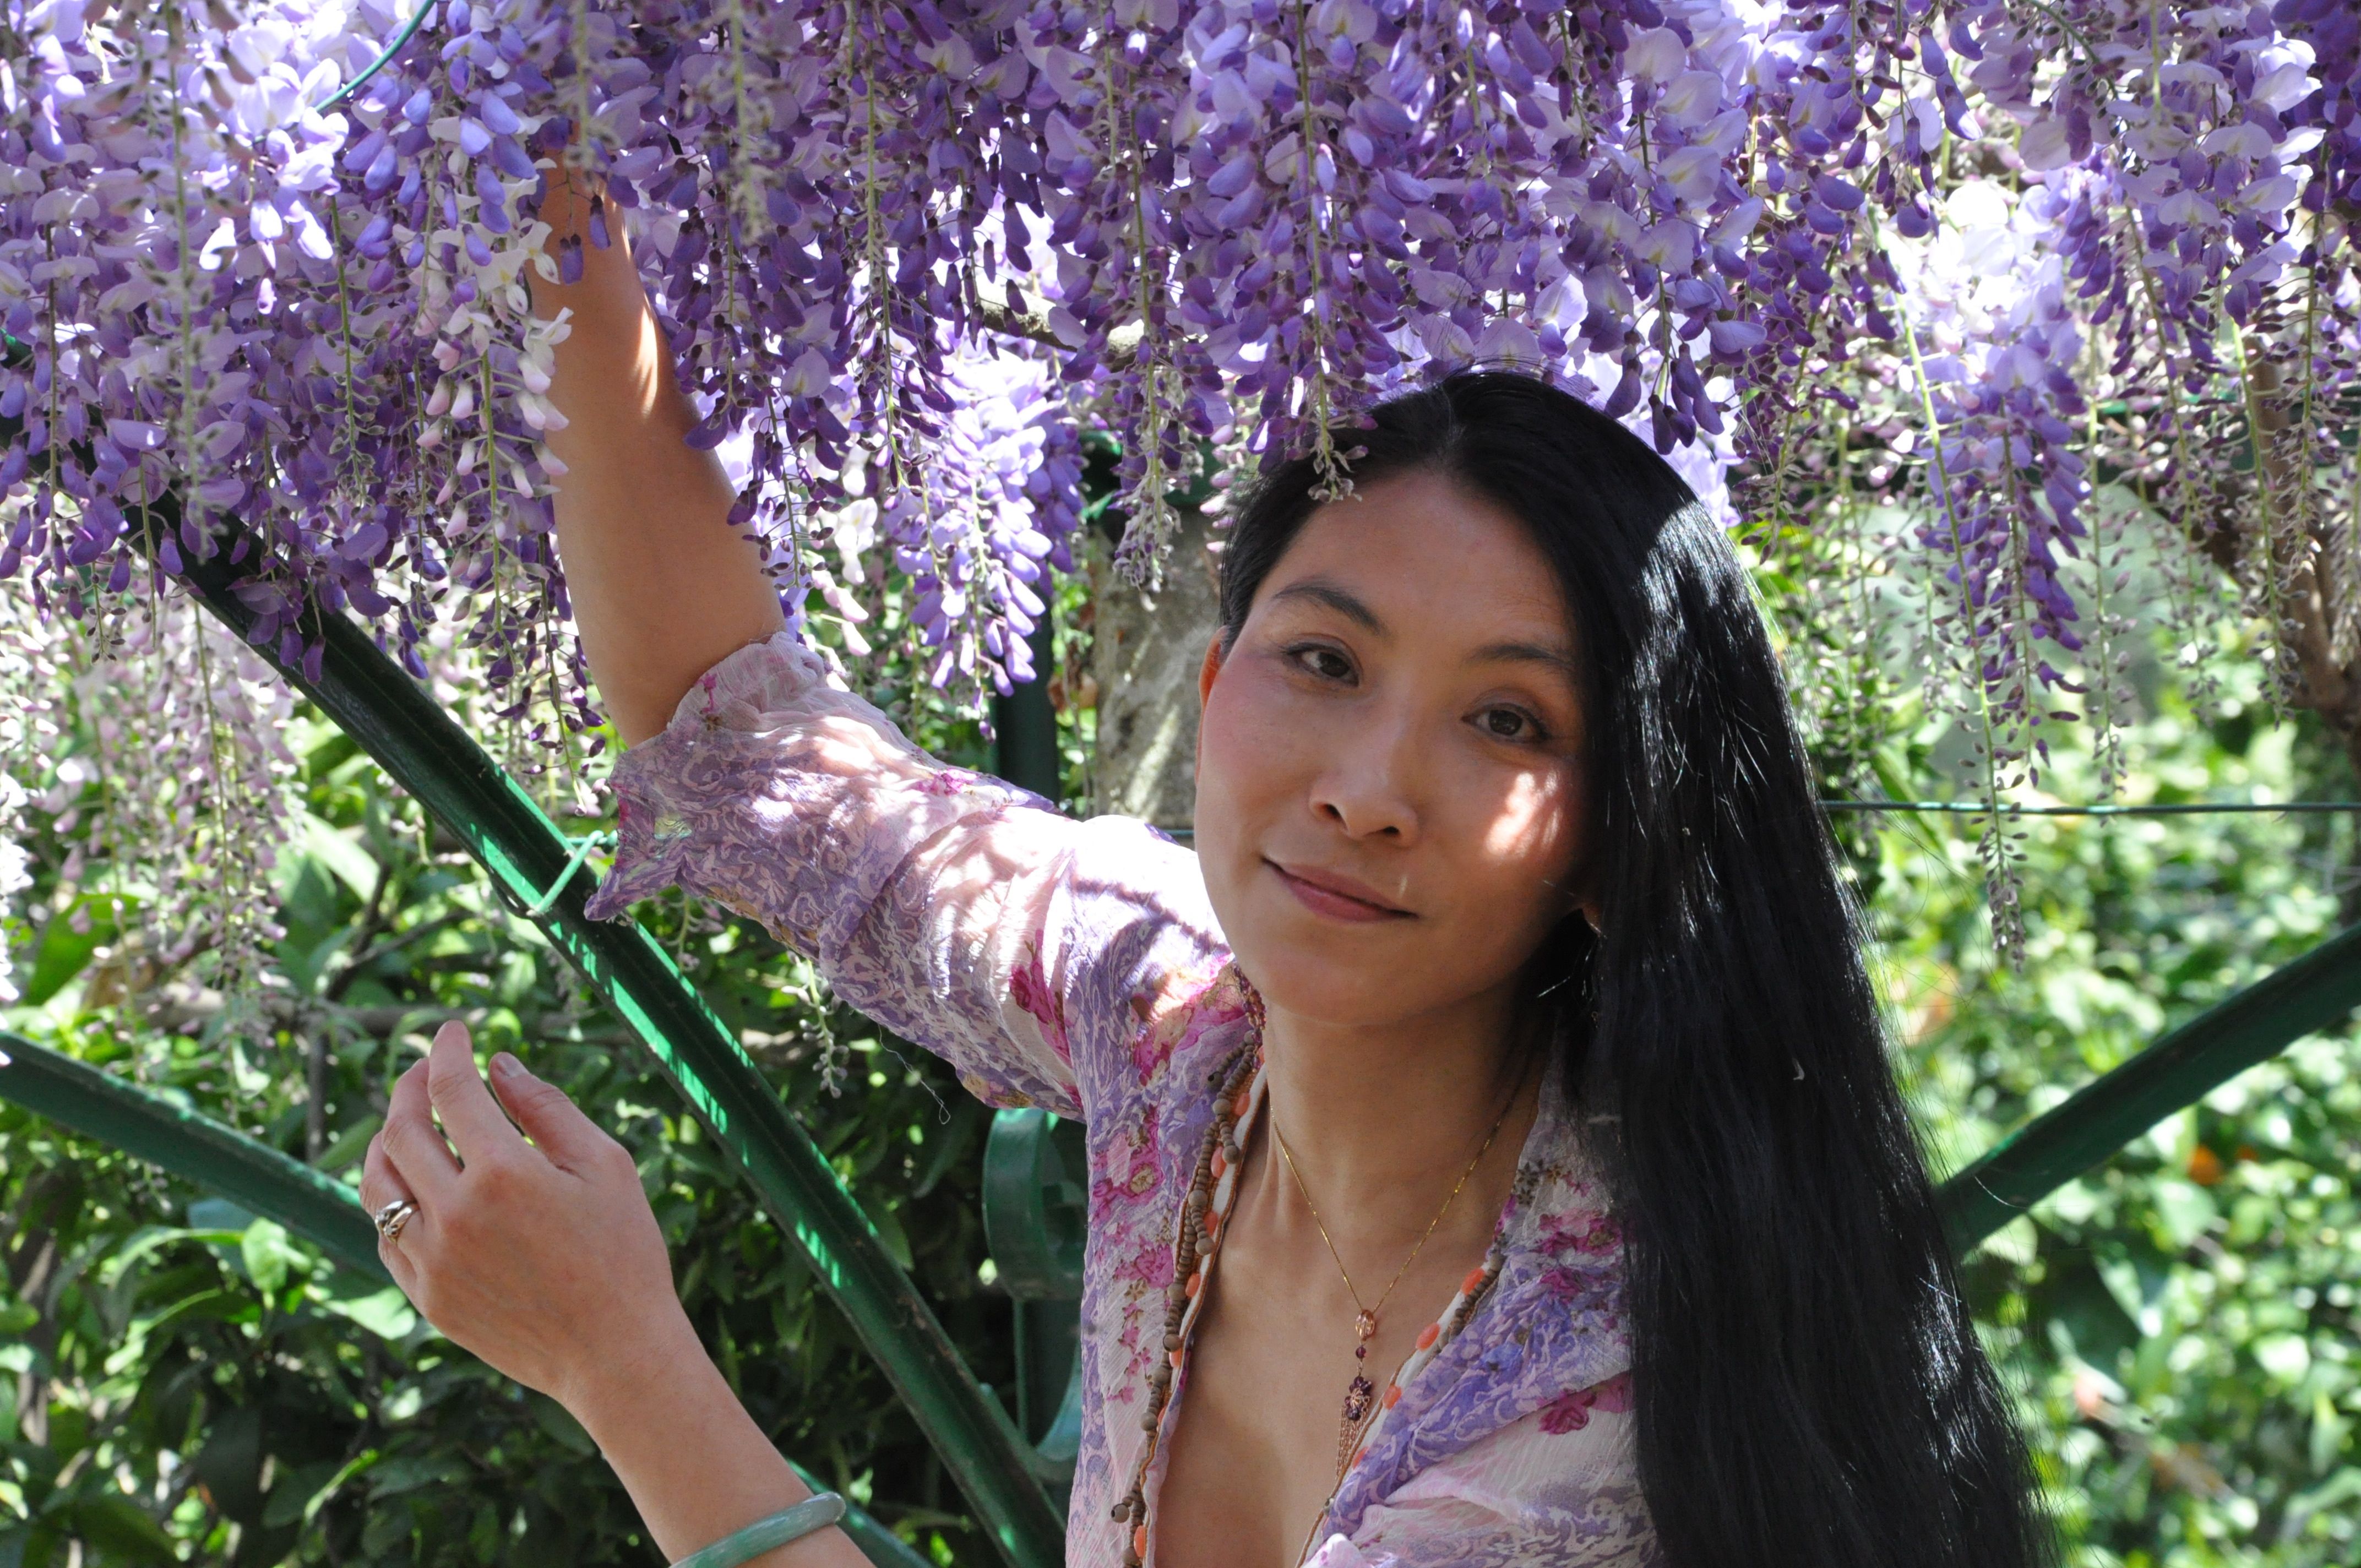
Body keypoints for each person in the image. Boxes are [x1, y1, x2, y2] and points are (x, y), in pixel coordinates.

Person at [357, 171, 2057, 1568]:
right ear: (1220, 679)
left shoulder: (1597, 1401)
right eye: (1327, 661)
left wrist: (623, 1363)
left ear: (1619, 840)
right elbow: (740, 741)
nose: (1374, 791)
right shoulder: (1178, 1017)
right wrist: (561, 204)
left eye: (1510, 724)